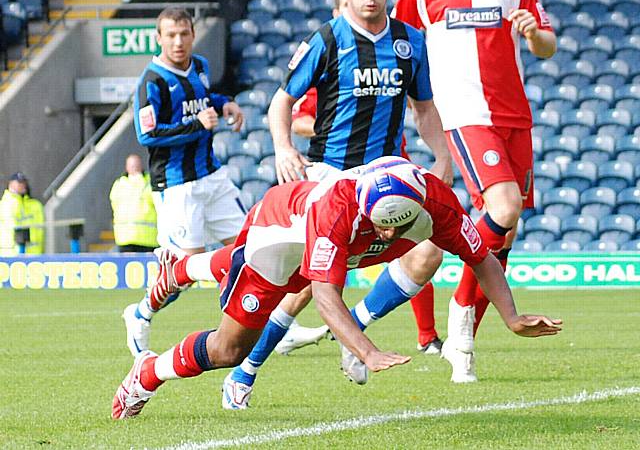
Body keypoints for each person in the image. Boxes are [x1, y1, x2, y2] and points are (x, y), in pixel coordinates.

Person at [111, 157, 562, 419]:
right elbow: (325, 295)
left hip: (320, 236)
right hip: (281, 232)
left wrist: (511, 316)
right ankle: (149, 371)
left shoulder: (436, 203)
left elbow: (481, 255)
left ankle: (183, 268)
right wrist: (366, 351)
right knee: (230, 348)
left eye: (395, 229)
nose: (385, 237)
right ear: (363, 207)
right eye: (376, 226)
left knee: (419, 257)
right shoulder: (337, 210)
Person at [225, 0, 451, 402]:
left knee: (429, 253)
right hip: (331, 177)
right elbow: (282, 102)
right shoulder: (326, 40)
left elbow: (424, 108)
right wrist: (283, 146)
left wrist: (442, 156)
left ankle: (356, 331)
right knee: (309, 283)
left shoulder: (410, 43)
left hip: (387, 180)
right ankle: (245, 370)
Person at [392, 0, 557, 383]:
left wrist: (533, 34)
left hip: (514, 117)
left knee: (506, 231)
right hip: (465, 116)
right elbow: (396, 44)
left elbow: (547, 47)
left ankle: (463, 336)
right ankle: (460, 315)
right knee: (502, 208)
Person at [123, 7, 246, 356]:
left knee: (248, 249)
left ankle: (273, 323)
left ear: (193, 34)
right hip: (178, 185)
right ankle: (141, 312)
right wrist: (197, 125)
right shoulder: (152, 81)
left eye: (184, 34)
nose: (178, 41)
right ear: (158, 38)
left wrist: (226, 105)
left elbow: (204, 100)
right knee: (185, 271)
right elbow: (147, 135)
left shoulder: (202, 66)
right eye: (171, 35)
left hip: (213, 175)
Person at [109, 154, 157, 253]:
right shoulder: (119, 184)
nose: (134, 168)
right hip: (124, 237)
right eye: (132, 165)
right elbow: (115, 204)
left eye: (136, 165)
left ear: (141, 166)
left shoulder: (149, 181)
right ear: (127, 167)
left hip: (148, 238)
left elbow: (155, 200)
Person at [0, 172, 45, 254]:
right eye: (19, 183)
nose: (23, 185)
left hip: (35, 254)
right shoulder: (5, 204)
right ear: (11, 184)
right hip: (13, 256)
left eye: (24, 182)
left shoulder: (35, 204)